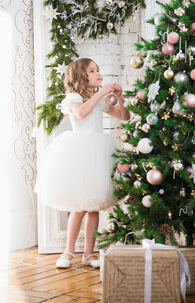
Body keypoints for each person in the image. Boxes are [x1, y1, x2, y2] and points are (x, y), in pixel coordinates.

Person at [34, 58, 130, 268]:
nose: (98, 74)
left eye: (98, 70)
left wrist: (120, 98)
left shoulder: (97, 99)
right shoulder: (74, 97)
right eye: (92, 71)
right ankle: (68, 251)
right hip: (80, 152)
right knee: (78, 207)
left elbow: (124, 116)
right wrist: (101, 93)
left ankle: (88, 253)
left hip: (98, 152)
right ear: (80, 76)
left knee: (93, 207)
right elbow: (81, 113)